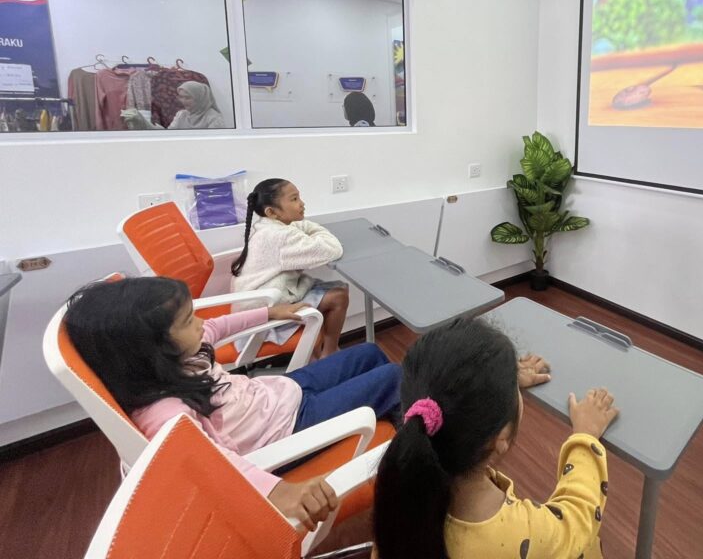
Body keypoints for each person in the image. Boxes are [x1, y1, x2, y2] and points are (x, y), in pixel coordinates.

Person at [63, 276, 401, 530]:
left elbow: (216, 325)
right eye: (188, 321)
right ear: (150, 348)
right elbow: (209, 462)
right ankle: (410, 444)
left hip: (282, 392)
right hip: (289, 429)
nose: (200, 324)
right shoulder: (165, 411)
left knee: (369, 353)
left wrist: (271, 311)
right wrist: (280, 492)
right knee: (394, 377)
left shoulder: (184, 352)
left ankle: (395, 418)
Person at [373, 318, 618, 559]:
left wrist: (492, 387)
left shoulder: (398, 494)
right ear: (500, 437)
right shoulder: (516, 535)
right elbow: (576, 520)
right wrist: (585, 435)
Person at [231, 179, 348, 358]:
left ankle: (315, 353)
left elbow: (301, 225)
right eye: (294, 199)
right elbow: (332, 250)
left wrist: (305, 227)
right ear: (272, 212)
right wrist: (318, 232)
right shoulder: (280, 236)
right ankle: (329, 353)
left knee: (329, 288)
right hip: (265, 314)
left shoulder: (268, 226)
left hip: (256, 302)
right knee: (339, 296)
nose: (302, 203)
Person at [121, 81, 226, 129]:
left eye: (187, 98)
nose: (183, 101)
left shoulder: (214, 118)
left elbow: (215, 145)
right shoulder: (182, 114)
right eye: (181, 97)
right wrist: (142, 121)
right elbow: (169, 135)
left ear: (200, 98)